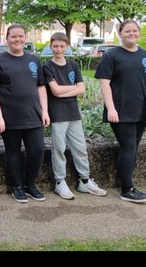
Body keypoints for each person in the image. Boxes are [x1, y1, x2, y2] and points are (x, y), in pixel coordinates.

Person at [95, 19, 146, 203]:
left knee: (133, 148)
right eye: (127, 31)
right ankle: (127, 190)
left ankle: (126, 182)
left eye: (135, 31)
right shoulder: (111, 55)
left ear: (139, 33)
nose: (132, 34)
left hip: (141, 110)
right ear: (120, 33)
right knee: (129, 147)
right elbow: (104, 82)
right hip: (120, 111)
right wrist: (111, 108)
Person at [0, 23, 49, 203]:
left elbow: (41, 87)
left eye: (20, 36)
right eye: (13, 36)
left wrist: (45, 111)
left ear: (25, 38)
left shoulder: (33, 60)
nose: (17, 39)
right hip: (9, 116)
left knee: (37, 150)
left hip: (33, 115)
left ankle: (30, 185)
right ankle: (16, 187)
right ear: (7, 39)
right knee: (12, 152)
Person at [41, 32, 106, 199]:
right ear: (51, 47)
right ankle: (60, 182)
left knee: (80, 147)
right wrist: (72, 89)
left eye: (62, 46)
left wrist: (63, 92)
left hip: (73, 113)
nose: (58, 49)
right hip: (58, 114)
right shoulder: (47, 67)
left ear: (67, 47)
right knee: (59, 149)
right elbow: (55, 90)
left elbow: (81, 89)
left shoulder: (73, 65)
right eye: (55, 46)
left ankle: (85, 181)